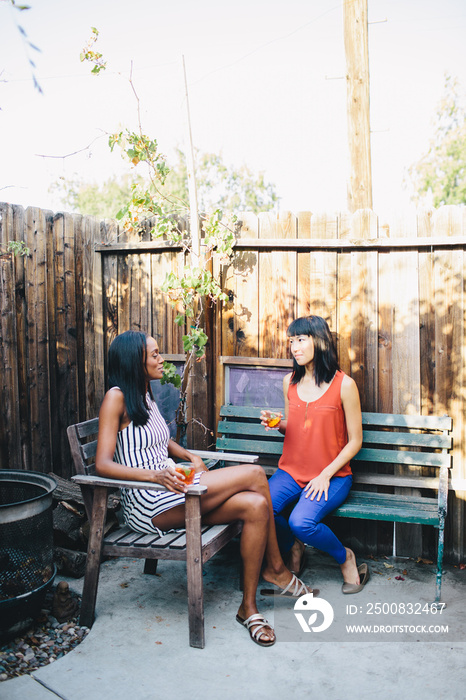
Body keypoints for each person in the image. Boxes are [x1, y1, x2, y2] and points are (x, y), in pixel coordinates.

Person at [95, 330, 314, 647]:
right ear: (134, 360)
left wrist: (186, 454)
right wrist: (154, 477)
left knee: (256, 506)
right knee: (254, 475)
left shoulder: (143, 394)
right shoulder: (115, 397)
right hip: (149, 505)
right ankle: (277, 567)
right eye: (154, 354)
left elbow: (160, 440)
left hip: (172, 489)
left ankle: (248, 608)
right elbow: (102, 463)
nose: (160, 358)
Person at [261, 315, 369, 594]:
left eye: (301, 339)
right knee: (262, 509)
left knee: (301, 522)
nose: (294, 347)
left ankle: (345, 558)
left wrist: (326, 474)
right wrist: (278, 424)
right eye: (291, 341)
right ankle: (293, 547)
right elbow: (294, 427)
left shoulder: (344, 385)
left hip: (332, 475)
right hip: (291, 471)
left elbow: (355, 441)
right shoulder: (289, 382)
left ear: (318, 341)